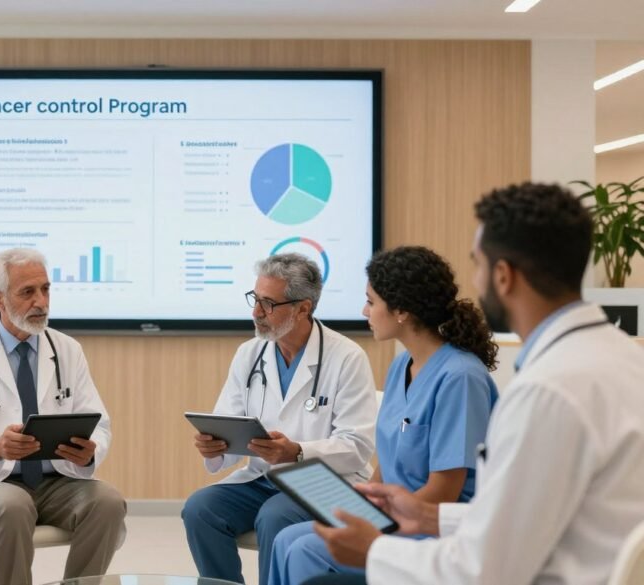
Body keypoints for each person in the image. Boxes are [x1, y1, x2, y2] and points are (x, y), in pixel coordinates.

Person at [312, 182, 644, 584]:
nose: (476, 280)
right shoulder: (625, 359)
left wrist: (376, 550)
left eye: (478, 265)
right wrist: (432, 516)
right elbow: (531, 515)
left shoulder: (546, 392)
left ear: (503, 276)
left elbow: (484, 571)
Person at [269, 246, 499, 584]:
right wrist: (359, 499)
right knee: (285, 539)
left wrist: (374, 520)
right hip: (391, 513)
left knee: (306, 549)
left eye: (371, 301)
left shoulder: (460, 378)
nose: (364, 311)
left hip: (432, 528)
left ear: (402, 310)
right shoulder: (400, 366)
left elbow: (444, 493)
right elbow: (388, 460)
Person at [0, 248, 127, 585]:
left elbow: (99, 423)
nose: (41, 302)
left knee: (107, 502)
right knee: (13, 506)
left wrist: (90, 450)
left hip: (58, 479)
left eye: (46, 289)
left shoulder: (66, 350)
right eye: (27, 292)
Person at [181, 252, 379, 585]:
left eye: (269, 304)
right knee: (200, 509)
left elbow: (357, 447)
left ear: (304, 308)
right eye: (255, 300)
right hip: (264, 477)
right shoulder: (250, 353)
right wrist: (215, 446)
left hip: (329, 482)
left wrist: (297, 451)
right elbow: (228, 420)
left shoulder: (346, 357)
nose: (256, 312)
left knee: (275, 517)